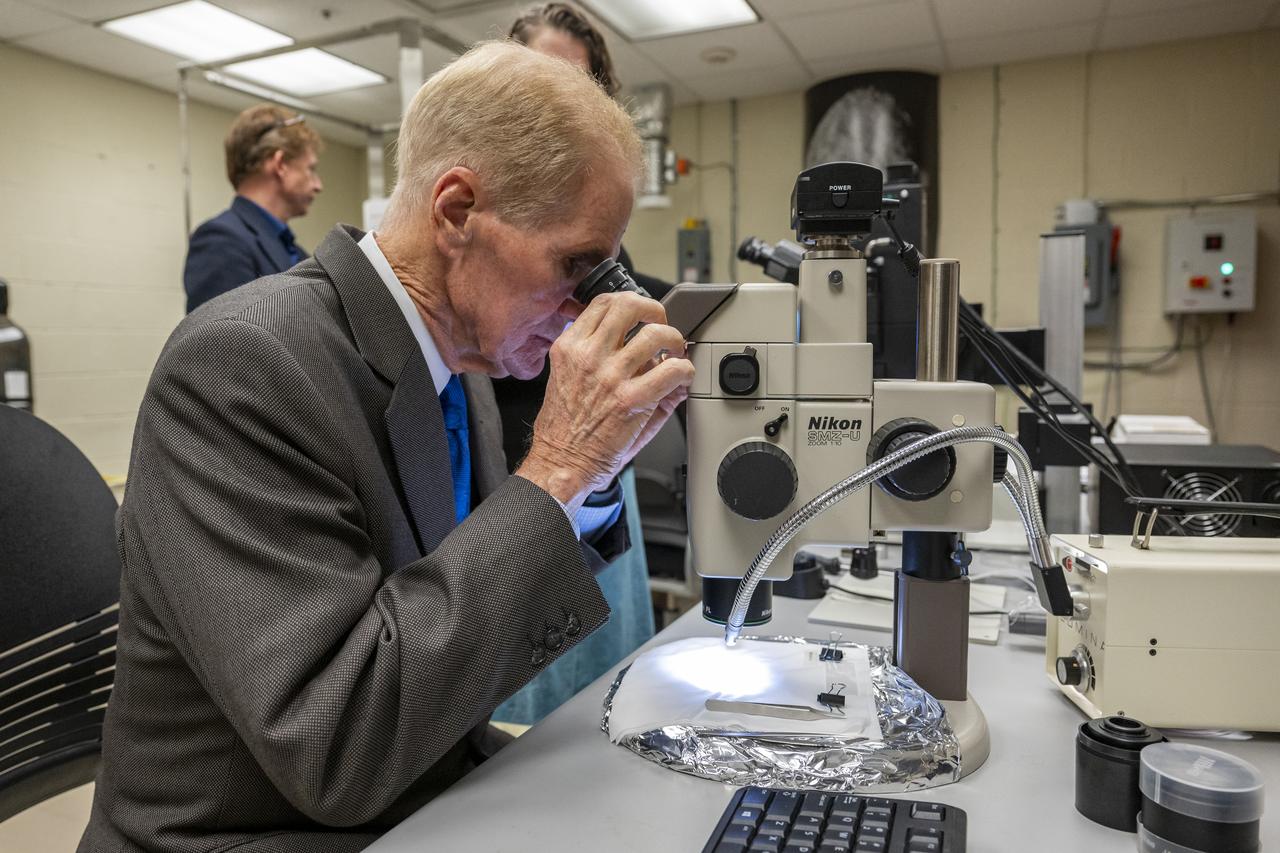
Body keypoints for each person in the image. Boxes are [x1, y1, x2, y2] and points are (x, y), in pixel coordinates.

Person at [79, 41, 693, 853]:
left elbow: (460, 620)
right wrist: (558, 468)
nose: (585, 309)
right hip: (249, 831)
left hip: (418, 782)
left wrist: (600, 471)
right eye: (576, 266)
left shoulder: (458, 365)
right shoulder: (241, 366)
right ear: (457, 211)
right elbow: (333, 745)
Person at [490, 1, 673, 725]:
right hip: (520, 476)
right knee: (523, 711)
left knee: (607, 698)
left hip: (595, 486)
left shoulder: (604, 244)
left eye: (582, 88)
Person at [182, 104, 324, 313]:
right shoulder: (221, 241)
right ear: (280, 164)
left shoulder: (297, 253)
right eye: (310, 169)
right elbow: (222, 341)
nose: (318, 185)